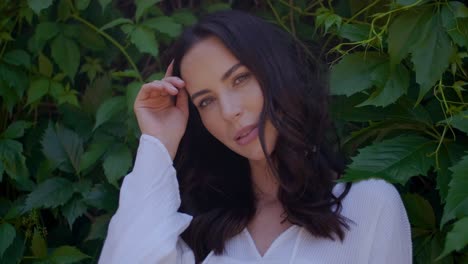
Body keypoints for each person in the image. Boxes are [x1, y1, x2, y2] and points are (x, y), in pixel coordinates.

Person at [98, 10, 412, 264]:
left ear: (274, 72)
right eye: (206, 101)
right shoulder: (195, 227)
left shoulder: (370, 204)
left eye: (240, 79)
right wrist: (159, 144)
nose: (229, 111)